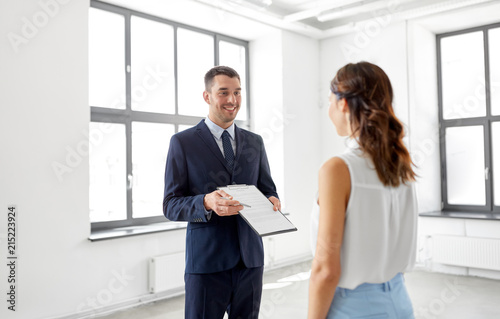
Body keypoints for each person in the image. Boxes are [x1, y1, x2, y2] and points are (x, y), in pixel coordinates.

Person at [163, 65, 280, 319]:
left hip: (250, 260)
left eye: (237, 92)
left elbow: (267, 189)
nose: (232, 100)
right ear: (207, 96)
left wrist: (272, 199)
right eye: (224, 92)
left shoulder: (255, 142)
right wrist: (205, 201)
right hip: (206, 263)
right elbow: (170, 205)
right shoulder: (183, 143)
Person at [308, 62, 418, 319]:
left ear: (343, 104)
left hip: (354, 308)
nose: (329, 111)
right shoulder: (400, 163)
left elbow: (326, 270)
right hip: (400, 302)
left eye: (329, 102)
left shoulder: (337, 169)